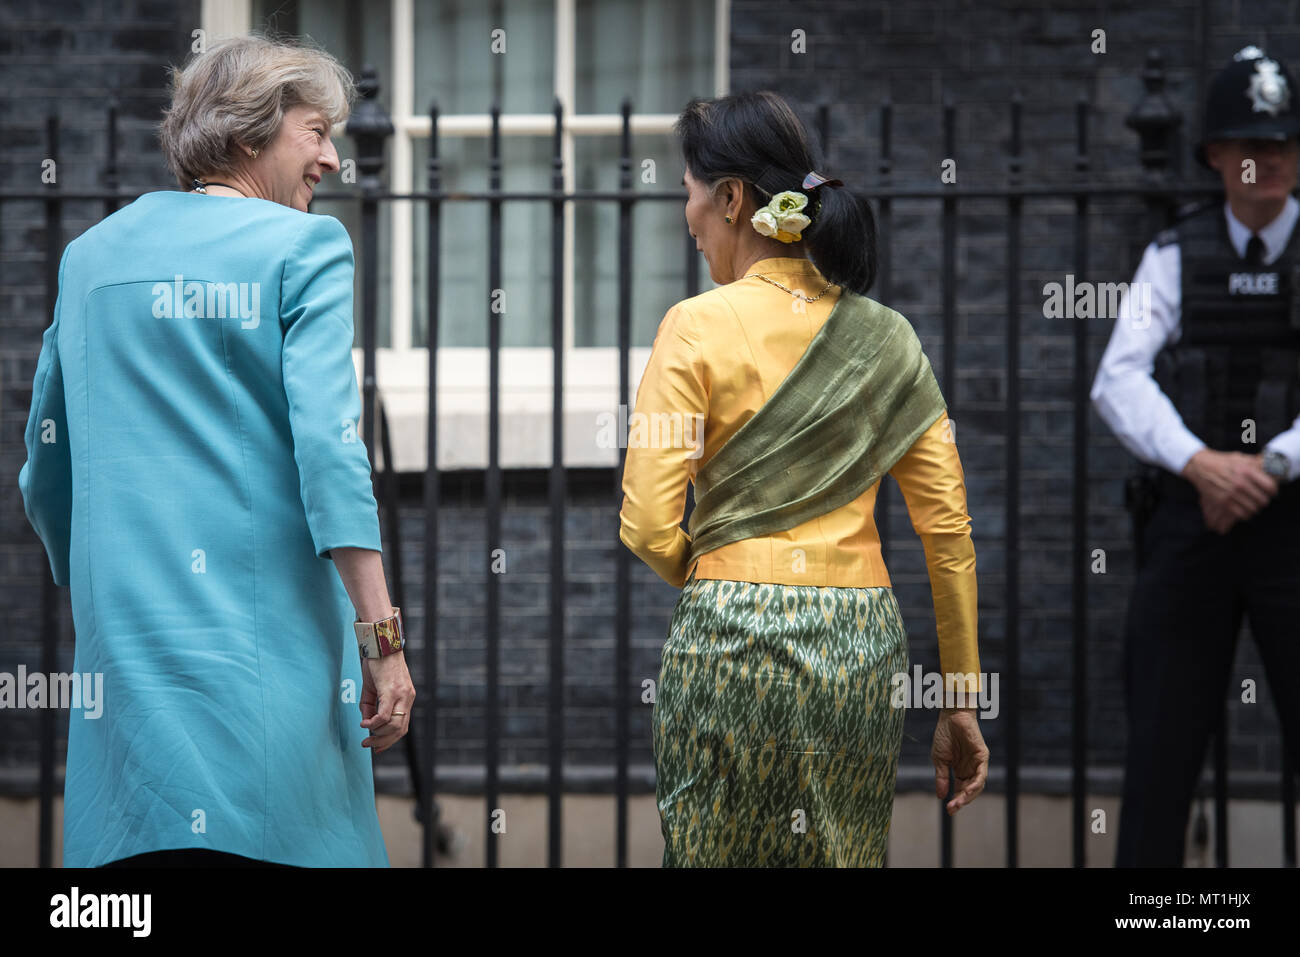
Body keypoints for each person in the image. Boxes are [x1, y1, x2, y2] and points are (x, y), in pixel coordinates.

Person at [17, 34, 415, 868]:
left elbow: (45, 473)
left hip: (129, 663)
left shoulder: (88, 260)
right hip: (267, 667)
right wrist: (383, 641)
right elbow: (332, 451)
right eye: (316, 132)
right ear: (249, 133)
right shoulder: (303, 249)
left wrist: (104, 580)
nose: (334, 159)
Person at [619, 90, 989, 867]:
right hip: (857, 648)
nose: (685, 215)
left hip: (729, 640)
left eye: (688, 192)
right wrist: (959, 696)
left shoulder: (695, 325)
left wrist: (721, 574)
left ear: (730, 198)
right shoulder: (889, 339)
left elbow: (648, 524)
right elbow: (947, 532)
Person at [1091, 45, 1300, 867]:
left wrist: (1269, 466)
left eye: (1283, 141)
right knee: (1160, 757)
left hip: (1292, 525)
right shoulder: (1175, 254)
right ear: (1215, 156)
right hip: (1191, 522)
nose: (1270, 157)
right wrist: (1201, 465)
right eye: (1250, 141)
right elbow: (1118, 379)